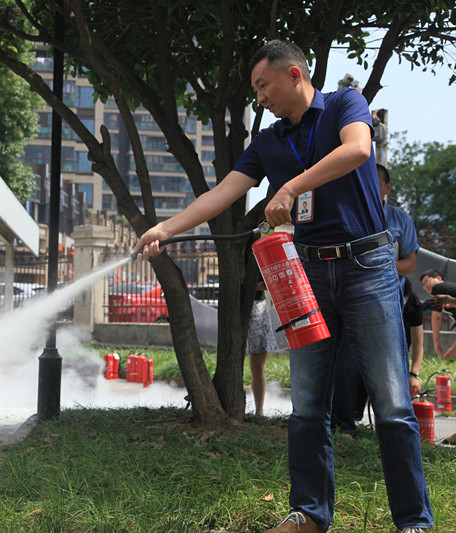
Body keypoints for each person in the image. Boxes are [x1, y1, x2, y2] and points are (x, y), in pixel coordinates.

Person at [134, 40, 432, 533]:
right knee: (307, 406)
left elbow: (358, 149)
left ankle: (413, 522)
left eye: (263, 85)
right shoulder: (268, 142)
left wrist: (292, 186)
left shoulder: (344, 104)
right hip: (307, 275)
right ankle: (309, 515)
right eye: (255, 90)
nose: (259, 98)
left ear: (294, 74)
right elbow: (223, 192)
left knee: (393, 404)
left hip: (368, 267)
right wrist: (166, 228)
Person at [330, 163, 420, 435]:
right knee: (347, 364)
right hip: (350, 301)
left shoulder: (400, 219)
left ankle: (393, 430)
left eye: (374, 182)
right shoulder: (346, 214)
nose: (366, 186)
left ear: (388, 188)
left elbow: (410, 263)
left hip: (388, 304)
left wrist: (376, 267)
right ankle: (343, 425)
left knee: (390, 365)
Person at [247, 280, 279, 416]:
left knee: (257, 368)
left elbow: (270, 283)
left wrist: (250, 286)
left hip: (257, 307)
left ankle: (259, 412)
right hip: (237, 306)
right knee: (232, 365)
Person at [419, 269, 456, 360]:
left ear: (439, 278)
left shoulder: (438, 288)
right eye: (423, 285)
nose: (426, 286)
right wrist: (454, 348)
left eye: (427, 281)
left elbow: (436, 316)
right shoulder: (448, 291)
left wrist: (436, 341)